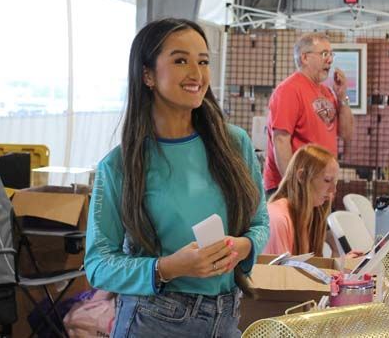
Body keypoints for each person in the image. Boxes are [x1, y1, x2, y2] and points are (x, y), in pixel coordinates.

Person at [84, 18, 269, 337]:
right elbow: (99, 265)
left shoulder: (235, 144)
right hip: (153, 321)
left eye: (203, 62)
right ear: (147, 75)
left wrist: (244, 246)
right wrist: (167, 268)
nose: (196, 74)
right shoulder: (119, 166)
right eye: (181, 60)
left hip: (226, 317)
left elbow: (260, 221)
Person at [264, 33, 354, 194]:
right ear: (305, 58)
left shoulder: (327, 92)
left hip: (318, 188)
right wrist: (292, 185)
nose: (330, 60)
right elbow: (281, 140)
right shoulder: (289, 90)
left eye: (331, 54)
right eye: (324, 54)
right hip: (294, 188)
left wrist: (342, 98)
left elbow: (346, 133)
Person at [264, 144, 337, 256]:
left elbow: (308, 265)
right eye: (327, 180)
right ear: (302, 177)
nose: (333, 190)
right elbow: (279, 267)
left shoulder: (312, 214)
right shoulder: (278, 218)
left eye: (335, 182)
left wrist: (342, 263)